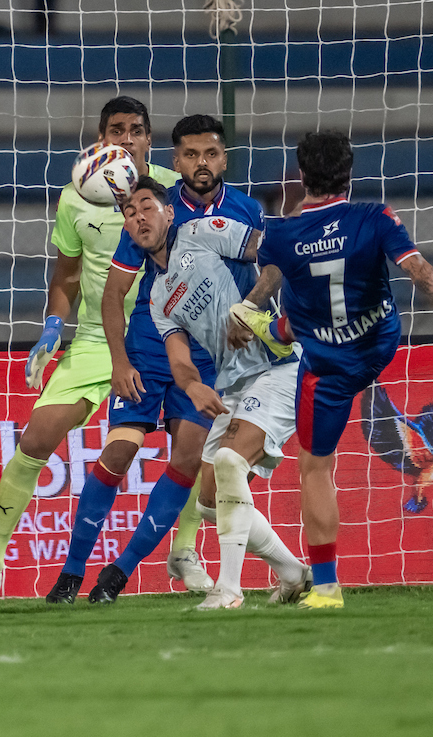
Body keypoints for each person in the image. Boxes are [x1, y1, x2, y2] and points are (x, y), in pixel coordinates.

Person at [230, 129, 433, 609]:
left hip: (328, 367)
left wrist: (246, 305)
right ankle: (282, 327)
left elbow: (265, 264)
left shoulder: (280, 234)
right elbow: (423, 275)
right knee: (326, 303)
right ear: (349, 174)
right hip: (379, 343)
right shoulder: (375, 217)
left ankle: (326, 588)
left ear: (302, 176)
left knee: (314, 468)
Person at [0, 96, 201, 601]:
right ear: (101, 138)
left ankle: (185, 551)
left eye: (136, 130)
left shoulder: (172, 191)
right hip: (94, 339)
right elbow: (65, 276)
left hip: (166, 335)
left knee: (193, 441)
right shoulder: (75, 196)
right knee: (37, 438)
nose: (126, 138)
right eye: (116, 130)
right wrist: (51, 327)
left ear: (148, 140)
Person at [52, 114, 261, 605]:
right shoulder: (152, 210)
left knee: (187, 459)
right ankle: (71, 572)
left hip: (210, 355)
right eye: (190, 154)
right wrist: (119, 362)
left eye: (210, 153)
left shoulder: (246, 210)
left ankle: (118, 574)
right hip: (152, 342)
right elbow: (113, 293)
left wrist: (252, 316)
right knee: (118, 452)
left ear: (223, 159)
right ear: (177, 161)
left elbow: (271, 264)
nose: (201, 163)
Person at [121, 178, 312, 609]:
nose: (139, 217)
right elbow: (180, 360)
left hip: (280, 365)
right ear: (127, 229)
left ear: (169, 212)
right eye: (130, 214)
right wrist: (192, 385)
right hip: (234, 385)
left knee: (229, 461)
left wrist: (250, 307)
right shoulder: (157, 296)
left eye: (147, 206)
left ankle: (228, 590)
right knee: (209, 502)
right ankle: (292, 572)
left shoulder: (202, 231)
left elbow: (278, 253)